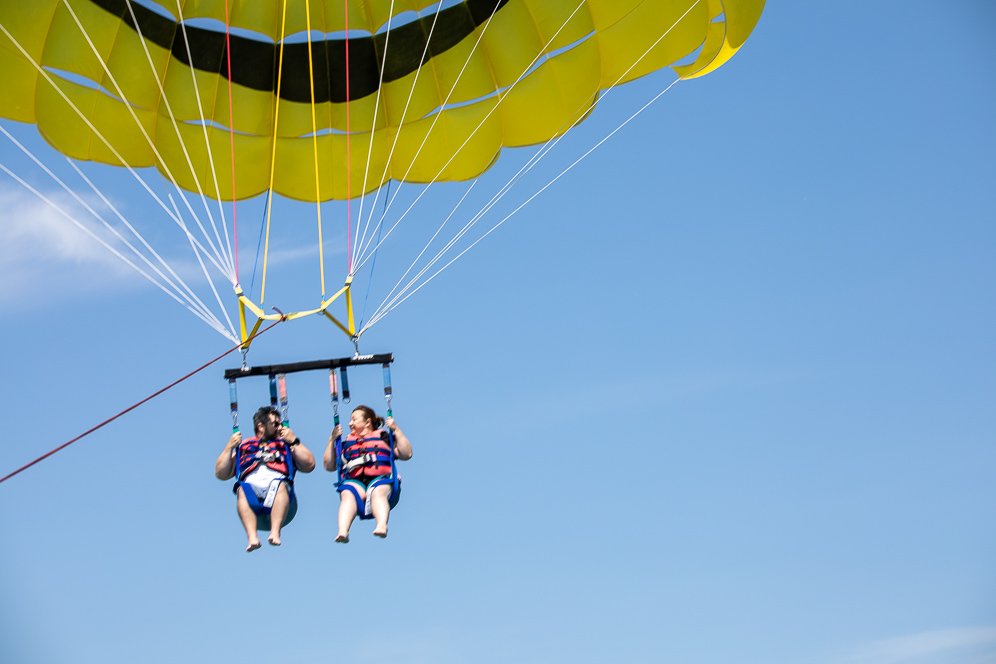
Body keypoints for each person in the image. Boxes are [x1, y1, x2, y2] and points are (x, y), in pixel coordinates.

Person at [215, 406, 316, 552]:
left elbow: (309, 464)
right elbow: (221, 473)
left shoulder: (285, 445)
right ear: (261, 427)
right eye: (275, 424)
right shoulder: (245, 447)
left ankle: (275, 532)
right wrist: (229, 447)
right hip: (251, 492)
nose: (280, 427)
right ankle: (252, 538)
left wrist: (293, 441)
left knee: (280, 485)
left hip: (279, 490)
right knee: (241, 489)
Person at [324, 405, 413, 542]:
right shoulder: (346, 443)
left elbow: (407, 454)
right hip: (355, 482)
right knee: (347, 494)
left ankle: (382, 525)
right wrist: (332, 440)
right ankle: (343, 531)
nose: (350, 423)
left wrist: (396, 430)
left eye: (354, 419)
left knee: (378, 492)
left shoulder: (383, 437)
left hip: (381, 479)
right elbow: (329, 466)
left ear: (367, 422)